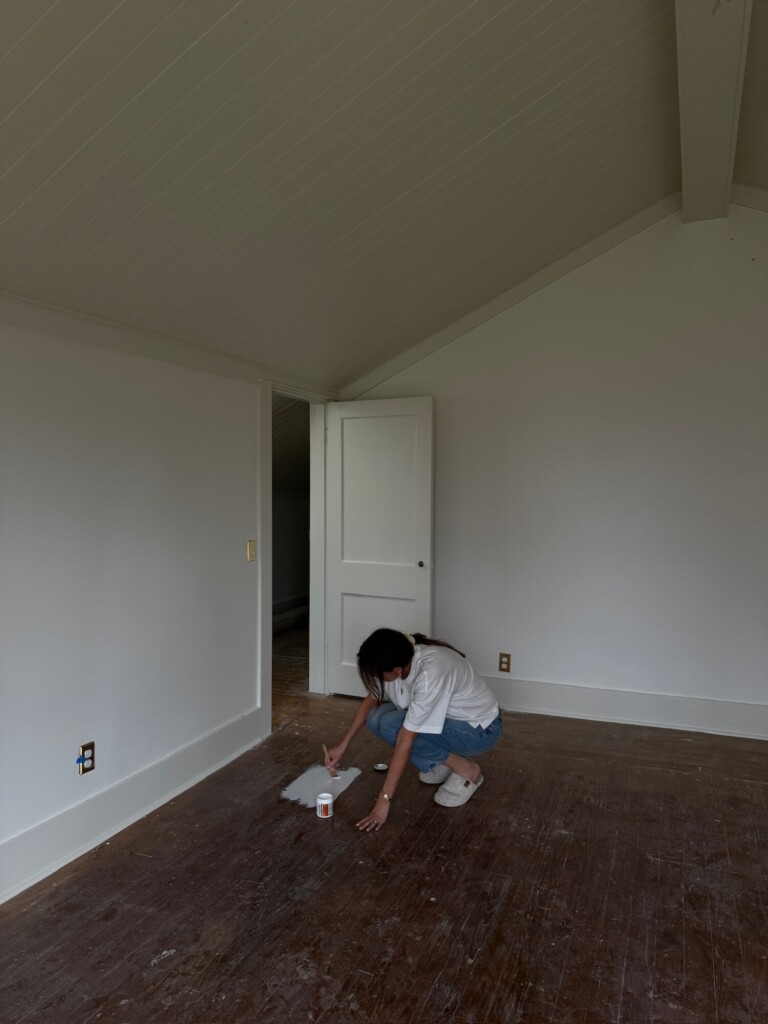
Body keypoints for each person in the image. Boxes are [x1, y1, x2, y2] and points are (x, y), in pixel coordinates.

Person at [324, 628, 502, 832]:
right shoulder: (400, 658)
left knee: (393, 725)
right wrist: (342, 745)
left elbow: (406, 739)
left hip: (479, 731)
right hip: (450, 721)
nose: (375, 679)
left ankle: (466, 768)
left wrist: (383, 801)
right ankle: (440, 761)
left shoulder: (430, 673)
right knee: (376, 717)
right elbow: (370, 702)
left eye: (377, 674)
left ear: (397, 671)